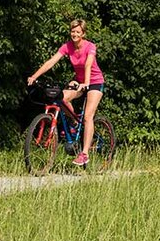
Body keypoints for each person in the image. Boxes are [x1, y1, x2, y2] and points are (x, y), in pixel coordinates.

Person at [26, 19, 105, 167]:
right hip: (79, 81)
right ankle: (74, 123)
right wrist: (34, 76)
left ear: (83, 34)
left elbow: (88, 64)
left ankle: (84, 154)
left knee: (88, 116)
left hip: (94, 82)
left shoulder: (90, 46)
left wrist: (86, 83)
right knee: (61, 97)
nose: (74, 34)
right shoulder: (67, 46)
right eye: (72, 31)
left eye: (78, 32)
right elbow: (51, 61)